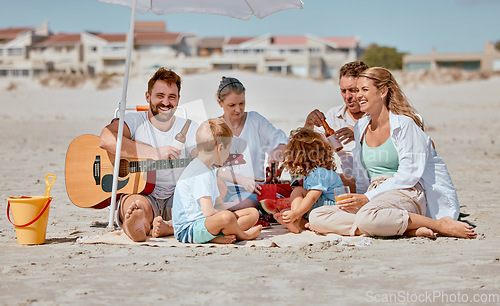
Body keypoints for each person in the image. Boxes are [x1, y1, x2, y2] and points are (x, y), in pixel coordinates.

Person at [307, 67, 477, 239]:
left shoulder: (405, 124)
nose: (358, 95)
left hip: (405, 192)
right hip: (374, 193)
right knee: (317, 216)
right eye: (357, 90)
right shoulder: (360, 127)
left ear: (383, 91)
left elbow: (409, 175)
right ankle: (407, 228)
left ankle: (439, 225)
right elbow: (362, 175)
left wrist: (366, 198)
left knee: (367, 217)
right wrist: (360, 197)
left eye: (364, 90)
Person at [99, 68, 199, 242]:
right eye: (160, 95)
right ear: (148, 97)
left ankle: (165, 227)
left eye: (171, 97)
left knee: (203, 201)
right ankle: (140, 225)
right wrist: (154, 153)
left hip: (177, 196)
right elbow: (106, 139)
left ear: (178, 100)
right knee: (134, 205)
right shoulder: (135, 121)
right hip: (143, 194)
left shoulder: (189, 127)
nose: (166, 102)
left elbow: (203, 154)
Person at [172, 118, 262, 244]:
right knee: (228, 217)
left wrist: (232, 209)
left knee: (252, 213)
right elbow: (208, 211)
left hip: (205, 223)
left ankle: (219, 235)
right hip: (189, 230)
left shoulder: (209, 170)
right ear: (220, 148)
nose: (229, 153)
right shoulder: (201, 173)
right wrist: (229, 217)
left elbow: (218, 205)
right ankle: (243, 235)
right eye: (228, 148)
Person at [215, 76, 288, 209]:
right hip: (222, 189)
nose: (238, 110)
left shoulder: (255, 120)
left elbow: (280, 138)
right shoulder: (213, 127)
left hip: (253, 191)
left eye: (242, 103)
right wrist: (242, 180)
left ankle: (216, 212)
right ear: (220, 103)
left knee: (247, 204)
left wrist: (278, 149)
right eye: (232, 105)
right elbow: (212, 168)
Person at [305, 61, 369, 190]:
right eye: (343, 91)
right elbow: (309, 149)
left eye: (353, 90)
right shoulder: (334, 116)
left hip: (377, 181)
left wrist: (361, 134)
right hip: (349, 183)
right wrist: (309, 125)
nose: (347, 96)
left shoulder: (378, 114)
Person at [273, 128, 344, 234]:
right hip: (321, 205)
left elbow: (312, 197)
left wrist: (296, 213)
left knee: (298, 191)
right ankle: (300, 223)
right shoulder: (311, 171)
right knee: (284, 213)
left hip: (333, 206)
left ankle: (296, 221)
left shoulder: (320, 172)